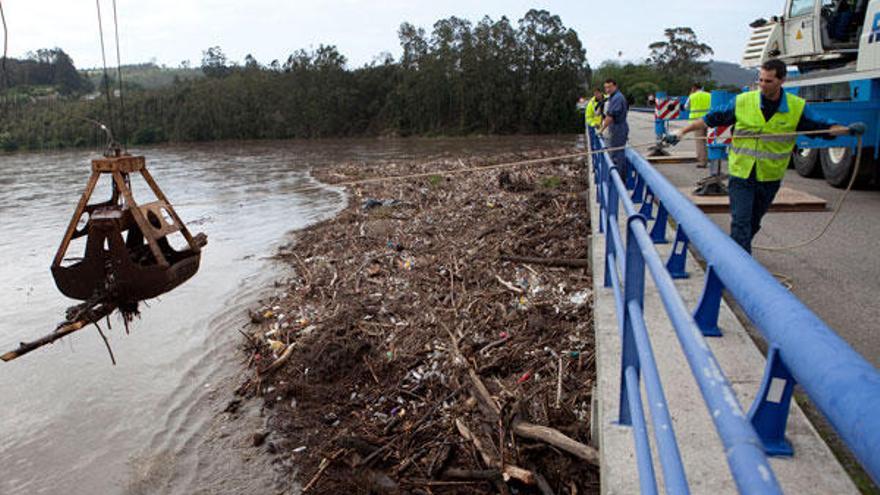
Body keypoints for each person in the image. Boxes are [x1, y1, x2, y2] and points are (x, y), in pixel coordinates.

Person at [664, 59, 861, 254]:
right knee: (741, 222)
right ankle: (739, 271)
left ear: (782, 81)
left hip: (769, 177)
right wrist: (681, 133)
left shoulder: (796, 107)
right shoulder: (743, 101)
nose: (763, 85)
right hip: (742, 173)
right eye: (760, 80)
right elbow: (709, 119)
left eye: (768, 81)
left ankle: (734, 256)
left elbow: (823, 126)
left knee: (753, 223)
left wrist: (847, 131)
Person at [598, 78, 629, 178]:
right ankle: (619, 177)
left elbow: (610, 116)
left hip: (618, 128)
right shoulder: (613, 97)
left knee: (617, 153)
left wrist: (601, 129)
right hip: (616, 127)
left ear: (615, 86)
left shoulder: (617, 98)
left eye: (609, 87)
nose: (607, 90)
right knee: (616, 152)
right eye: (606, 88)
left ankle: (619, 179)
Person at [685, 83, 712, 168]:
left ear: (694, 88)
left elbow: (686, 107)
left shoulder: (692, 96)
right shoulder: (709, 95)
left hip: (697, 121)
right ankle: (711, 158)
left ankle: (702, 162)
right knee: (709, 140)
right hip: (709, 119)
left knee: (700, 141)